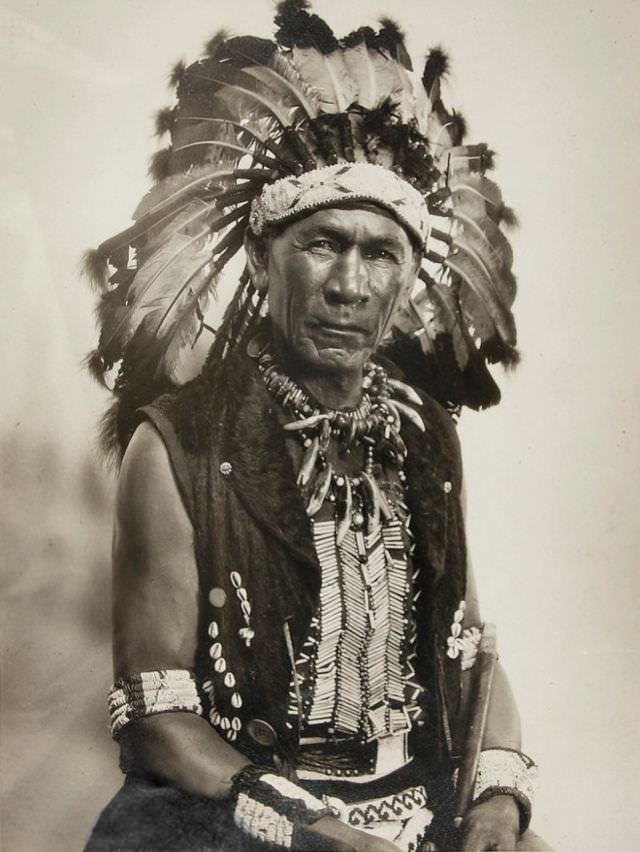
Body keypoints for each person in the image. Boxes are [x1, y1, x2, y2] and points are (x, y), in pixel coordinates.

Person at [84, 4, 548, 850]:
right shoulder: (178, 445)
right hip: (233, 810)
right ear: (263, 258)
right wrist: (310, 827)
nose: (350, 283)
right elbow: (155, 716)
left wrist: (498, 797)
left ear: (409, 278)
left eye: (380, 253)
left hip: (417, 801)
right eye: (322, 243)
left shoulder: (425, 432)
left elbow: (473, 650)